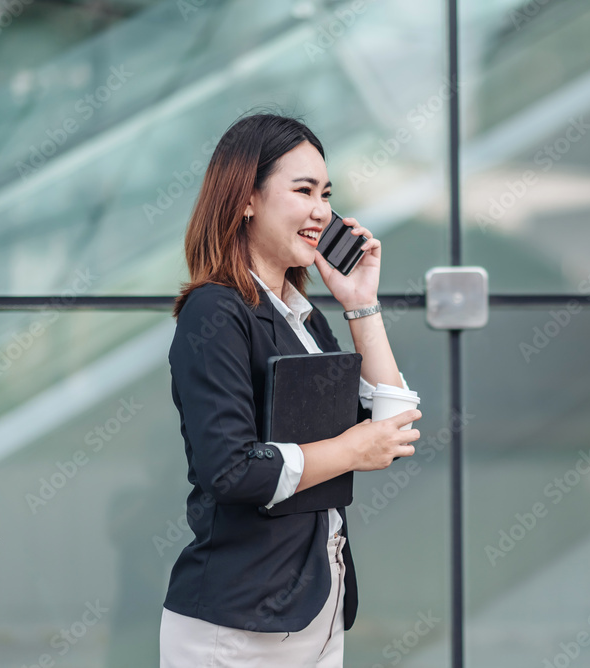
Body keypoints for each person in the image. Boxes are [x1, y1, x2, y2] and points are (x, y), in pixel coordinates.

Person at [159, 113, 421, 667]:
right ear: (246, 198)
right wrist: (352, 450)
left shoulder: (303, 320)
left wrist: (358, 303)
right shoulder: (216, 311)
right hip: (237, 628)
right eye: (302, 190)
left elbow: (392, 425)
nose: (321, 211)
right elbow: (230, 470)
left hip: (316, 612)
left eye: (326, 193)